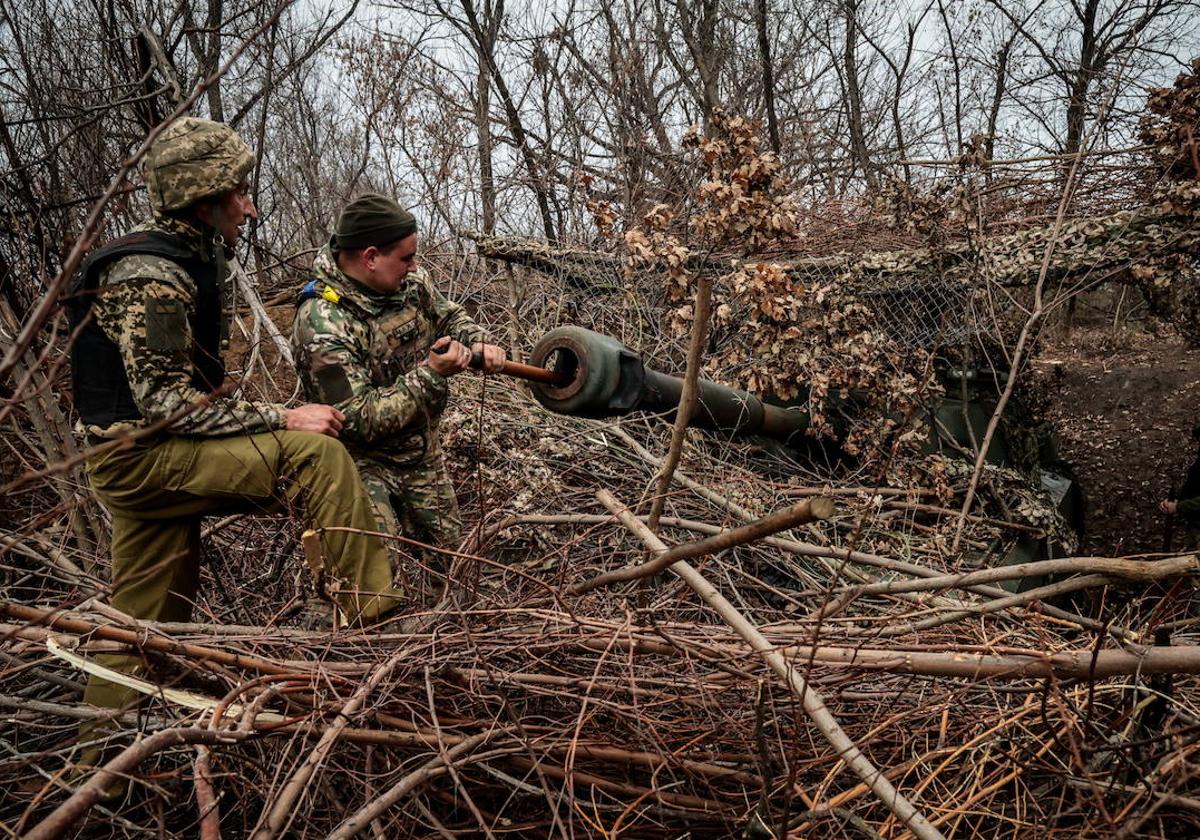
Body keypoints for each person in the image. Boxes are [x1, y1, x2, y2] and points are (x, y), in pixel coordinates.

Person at [68, 119, 403, 772]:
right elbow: (168, 404)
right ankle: (377, 629)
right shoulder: (150, 274)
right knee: (316, 453)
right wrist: (285, 415)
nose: (250, 205)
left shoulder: (186, 255)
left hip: (136, 458)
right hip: (138, 459)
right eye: (239, 192)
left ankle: (95, 781)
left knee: (136, 627)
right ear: (202, 197)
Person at [291, 193, 506, 600]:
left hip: (420, 451)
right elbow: (357, 419)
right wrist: (431, 374)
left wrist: (477, 339)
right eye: (406, 258)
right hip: (361, 466)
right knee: (371, 588)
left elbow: (448, 313)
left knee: (459, 573)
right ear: (371, 257)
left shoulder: (409, 281)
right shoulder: (322, 323)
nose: (415, 266)